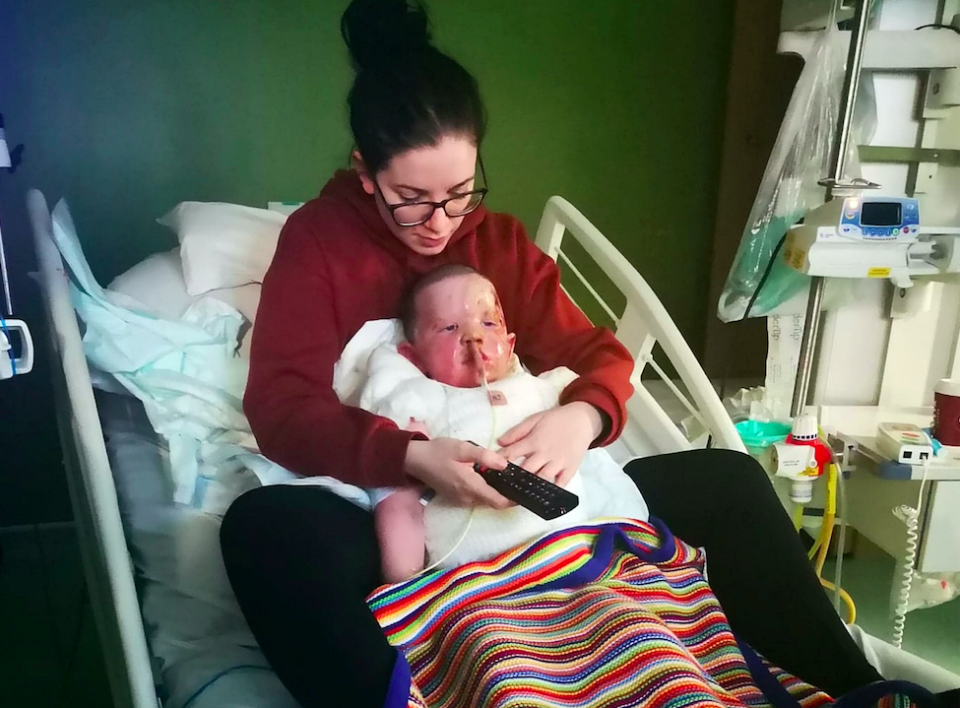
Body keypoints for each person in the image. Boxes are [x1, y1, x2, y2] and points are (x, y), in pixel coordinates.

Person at [220, 1, 946, 707]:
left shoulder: (498, 243)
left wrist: (582, 421)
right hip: (405, 498)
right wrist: (409, 457)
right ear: (365, 171)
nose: (440, 224)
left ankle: (858, 691)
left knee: (726, 481)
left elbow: (597, 358)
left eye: (461, 194)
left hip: (539, 501)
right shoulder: (319, 244)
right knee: (264, 533)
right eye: (411, 198)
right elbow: (281, 407)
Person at [361, 263, 648, 582]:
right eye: (449, 328)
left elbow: (600, 467)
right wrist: (405, 582)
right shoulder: (417, 406)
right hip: (479, 581)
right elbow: (398, 505)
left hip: (575, 557)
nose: (474, 337)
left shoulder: (544, 391)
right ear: (414, 358)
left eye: (488, 322)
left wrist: (582, 416)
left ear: (510, 345)